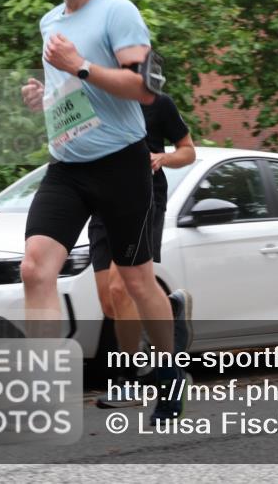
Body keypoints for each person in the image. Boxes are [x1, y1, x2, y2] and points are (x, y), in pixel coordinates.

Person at [20, 0, 188, 422]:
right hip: (67, 167)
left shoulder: (119, 11)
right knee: (35, 268)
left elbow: (144, 90)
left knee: (135, 284)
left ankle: (170, 371)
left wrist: (81, 66)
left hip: (121, 165)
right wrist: (41, 98)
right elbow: (68, 98)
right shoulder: (51, 21)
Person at [92, 92, 196, 409]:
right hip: (100, 202)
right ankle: (169, 307)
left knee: (120, 288)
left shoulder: (158, 103)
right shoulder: (94, 98)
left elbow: (188, 152)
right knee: (112, 304)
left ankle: (129, 380)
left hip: (144, 199)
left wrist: (162, 158)